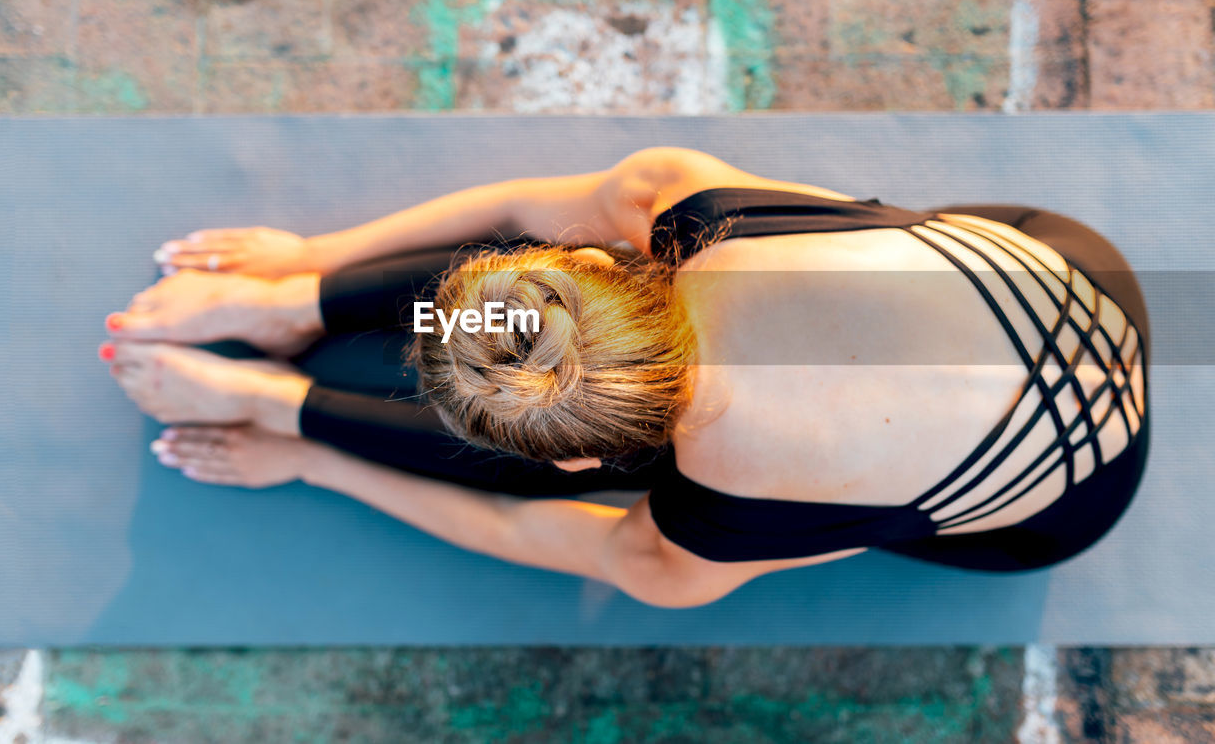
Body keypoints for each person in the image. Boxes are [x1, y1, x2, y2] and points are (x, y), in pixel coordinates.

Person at [98, 146, 1150, 608]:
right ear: (605, 263)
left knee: (531, 348)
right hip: (1064, 278)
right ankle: (296, 311)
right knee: (522, 342)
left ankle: (281, 388)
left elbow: (531, 526)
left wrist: (307, 444)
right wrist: (311, 261)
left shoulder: (716, 521)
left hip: (1057, 494)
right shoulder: (692, 201)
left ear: (601, 462)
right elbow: (520, 228)